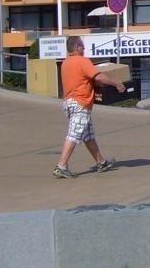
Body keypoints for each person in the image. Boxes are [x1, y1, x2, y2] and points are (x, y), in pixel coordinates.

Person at [53, 36, 125, 178]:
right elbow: (98, 77)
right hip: (80, 103)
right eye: (82, 46)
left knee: (88, 135)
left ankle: (101, 162)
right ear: (77, 47)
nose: (84, 48)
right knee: (73, 134)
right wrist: (116, 83)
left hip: (69, 102)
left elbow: (82, 79)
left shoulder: (66, 63)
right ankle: (61, 166)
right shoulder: (82, 61)